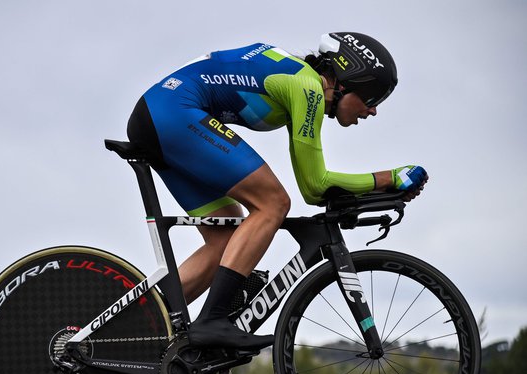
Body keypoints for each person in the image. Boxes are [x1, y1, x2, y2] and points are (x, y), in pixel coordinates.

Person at [126, 32, 428, 350]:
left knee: (227, 240)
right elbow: (314, 186)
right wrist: (388, 178)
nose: (373, 111)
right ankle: (212, 320)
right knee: (273, 203)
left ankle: (127, 331)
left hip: (161, 114)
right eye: (372, 100)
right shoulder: (307, 87)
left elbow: (316, 185)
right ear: (345, 81)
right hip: (172, 114)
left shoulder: (298, 78)